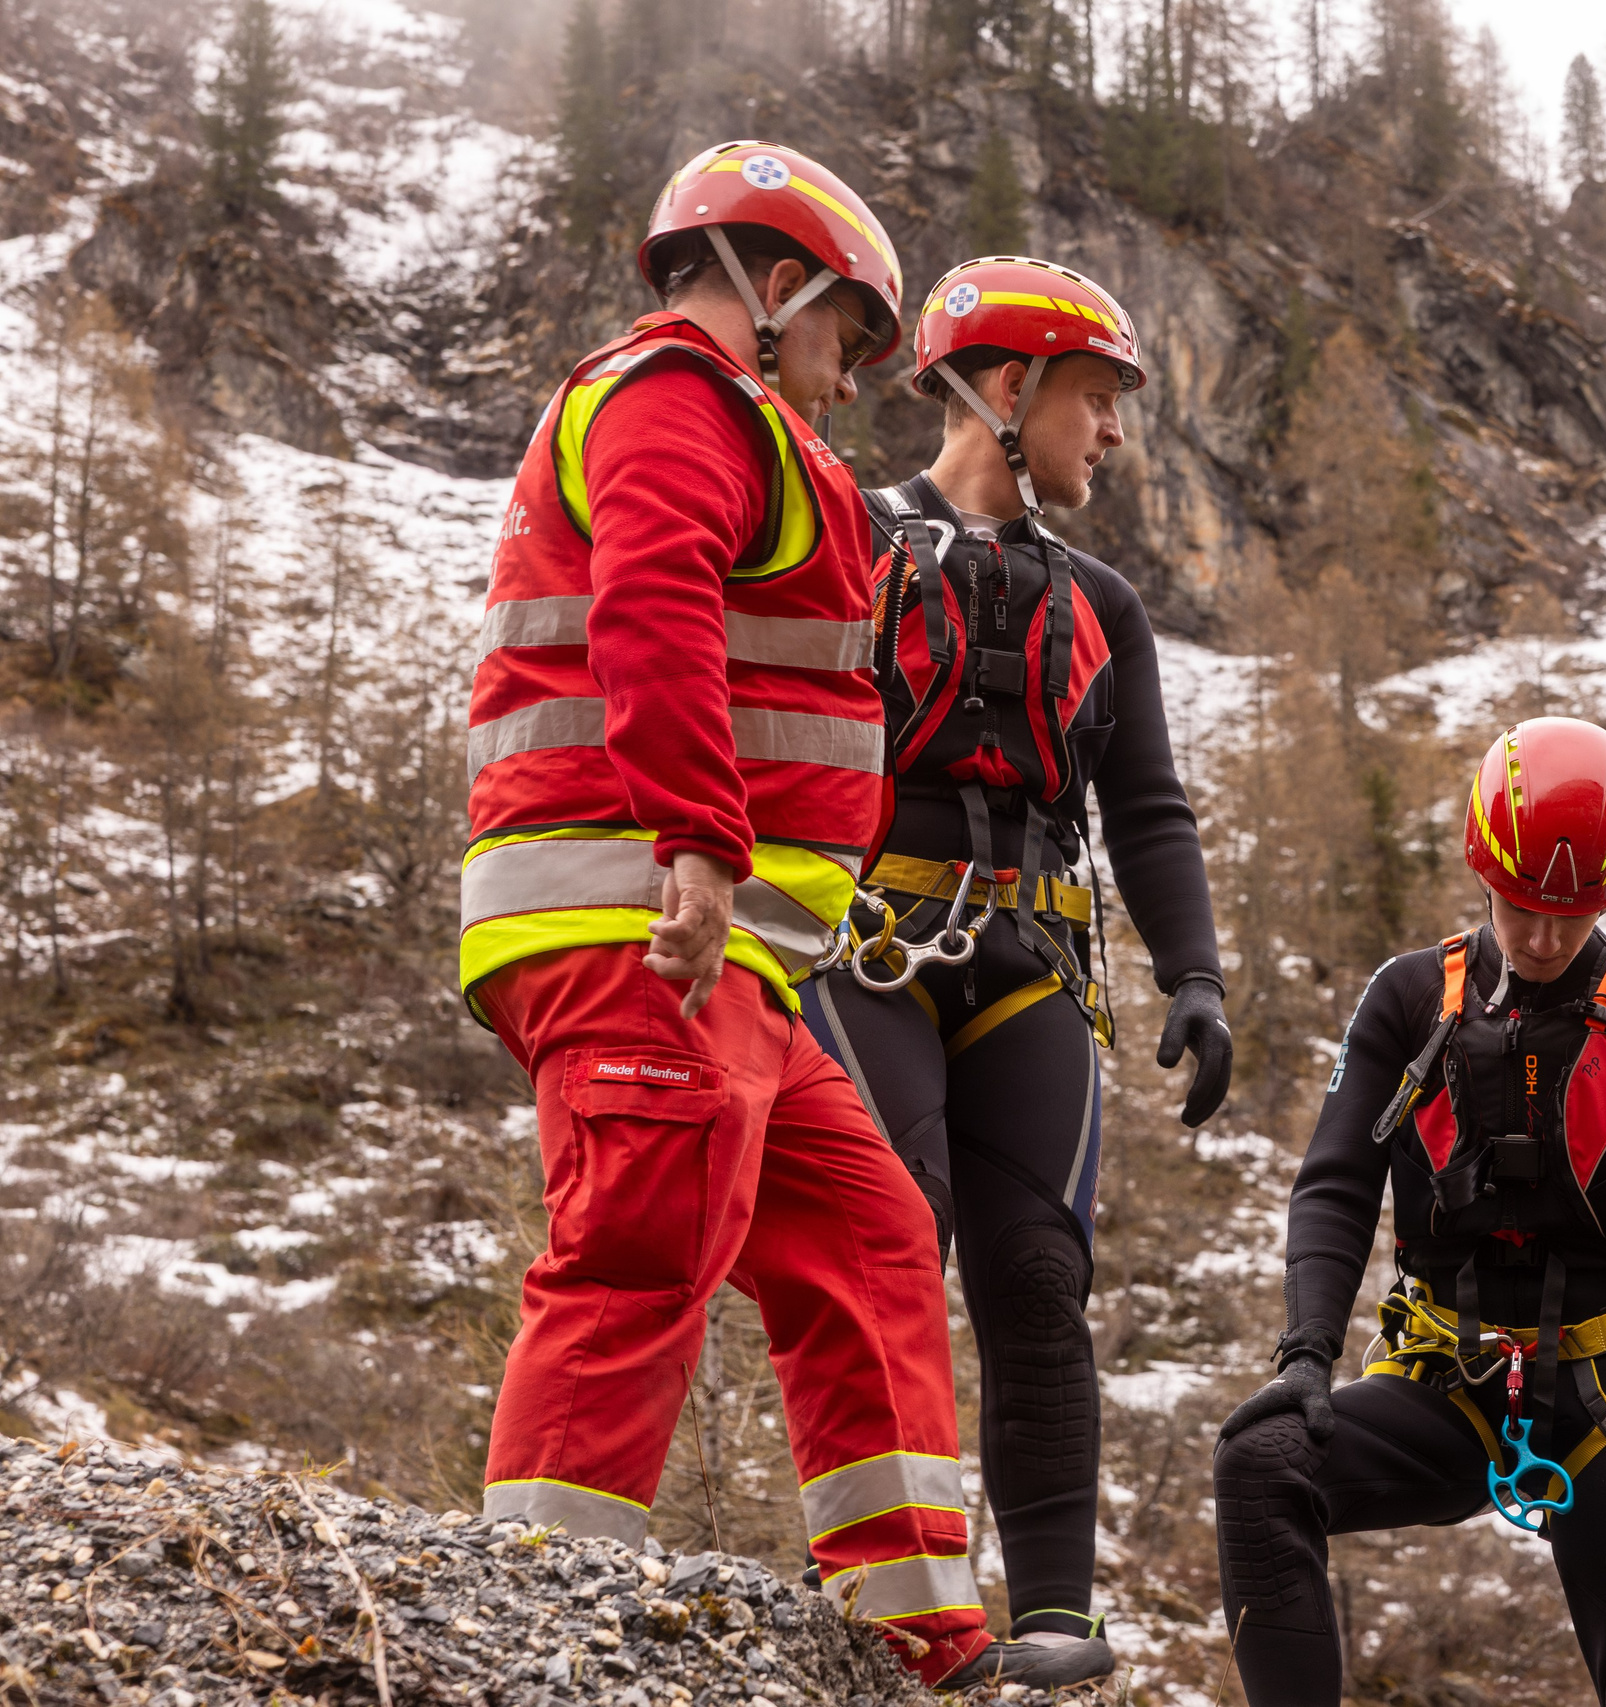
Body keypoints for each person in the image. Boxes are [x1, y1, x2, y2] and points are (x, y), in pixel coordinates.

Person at [461, 141, 1104, 1689]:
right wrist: (694, 838)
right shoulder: (673, 398)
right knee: (637, 1246)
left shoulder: (743, 423)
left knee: (873, 1232)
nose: (841, 373)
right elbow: (655, 601)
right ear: (771, 289)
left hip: (739, 954)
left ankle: (918, 1632)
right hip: (641, 917)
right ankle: (528, 1615)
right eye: (839, 334)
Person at [799, 254, 1231, 1662]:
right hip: (863, 946)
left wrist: (1197, 976)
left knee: (1039, 1274)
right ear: (1007, 391)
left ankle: (1055, 1622)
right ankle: (892, 1601)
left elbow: (1149, 807)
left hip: (1034, 955)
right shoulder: (845, 534)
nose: (1113, 433)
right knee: (892, 1239)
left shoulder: (1104, 601)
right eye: (1098, 399)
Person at [1213, 717, 1606, 1707]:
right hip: (1448, 1380)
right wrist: (1306, 1355)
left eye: (1576, 912)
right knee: (1261, 1462)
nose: (1546, 937)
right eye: (1521, 908)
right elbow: (1336, 1182)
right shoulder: (1408, 998)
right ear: (1482, 871)